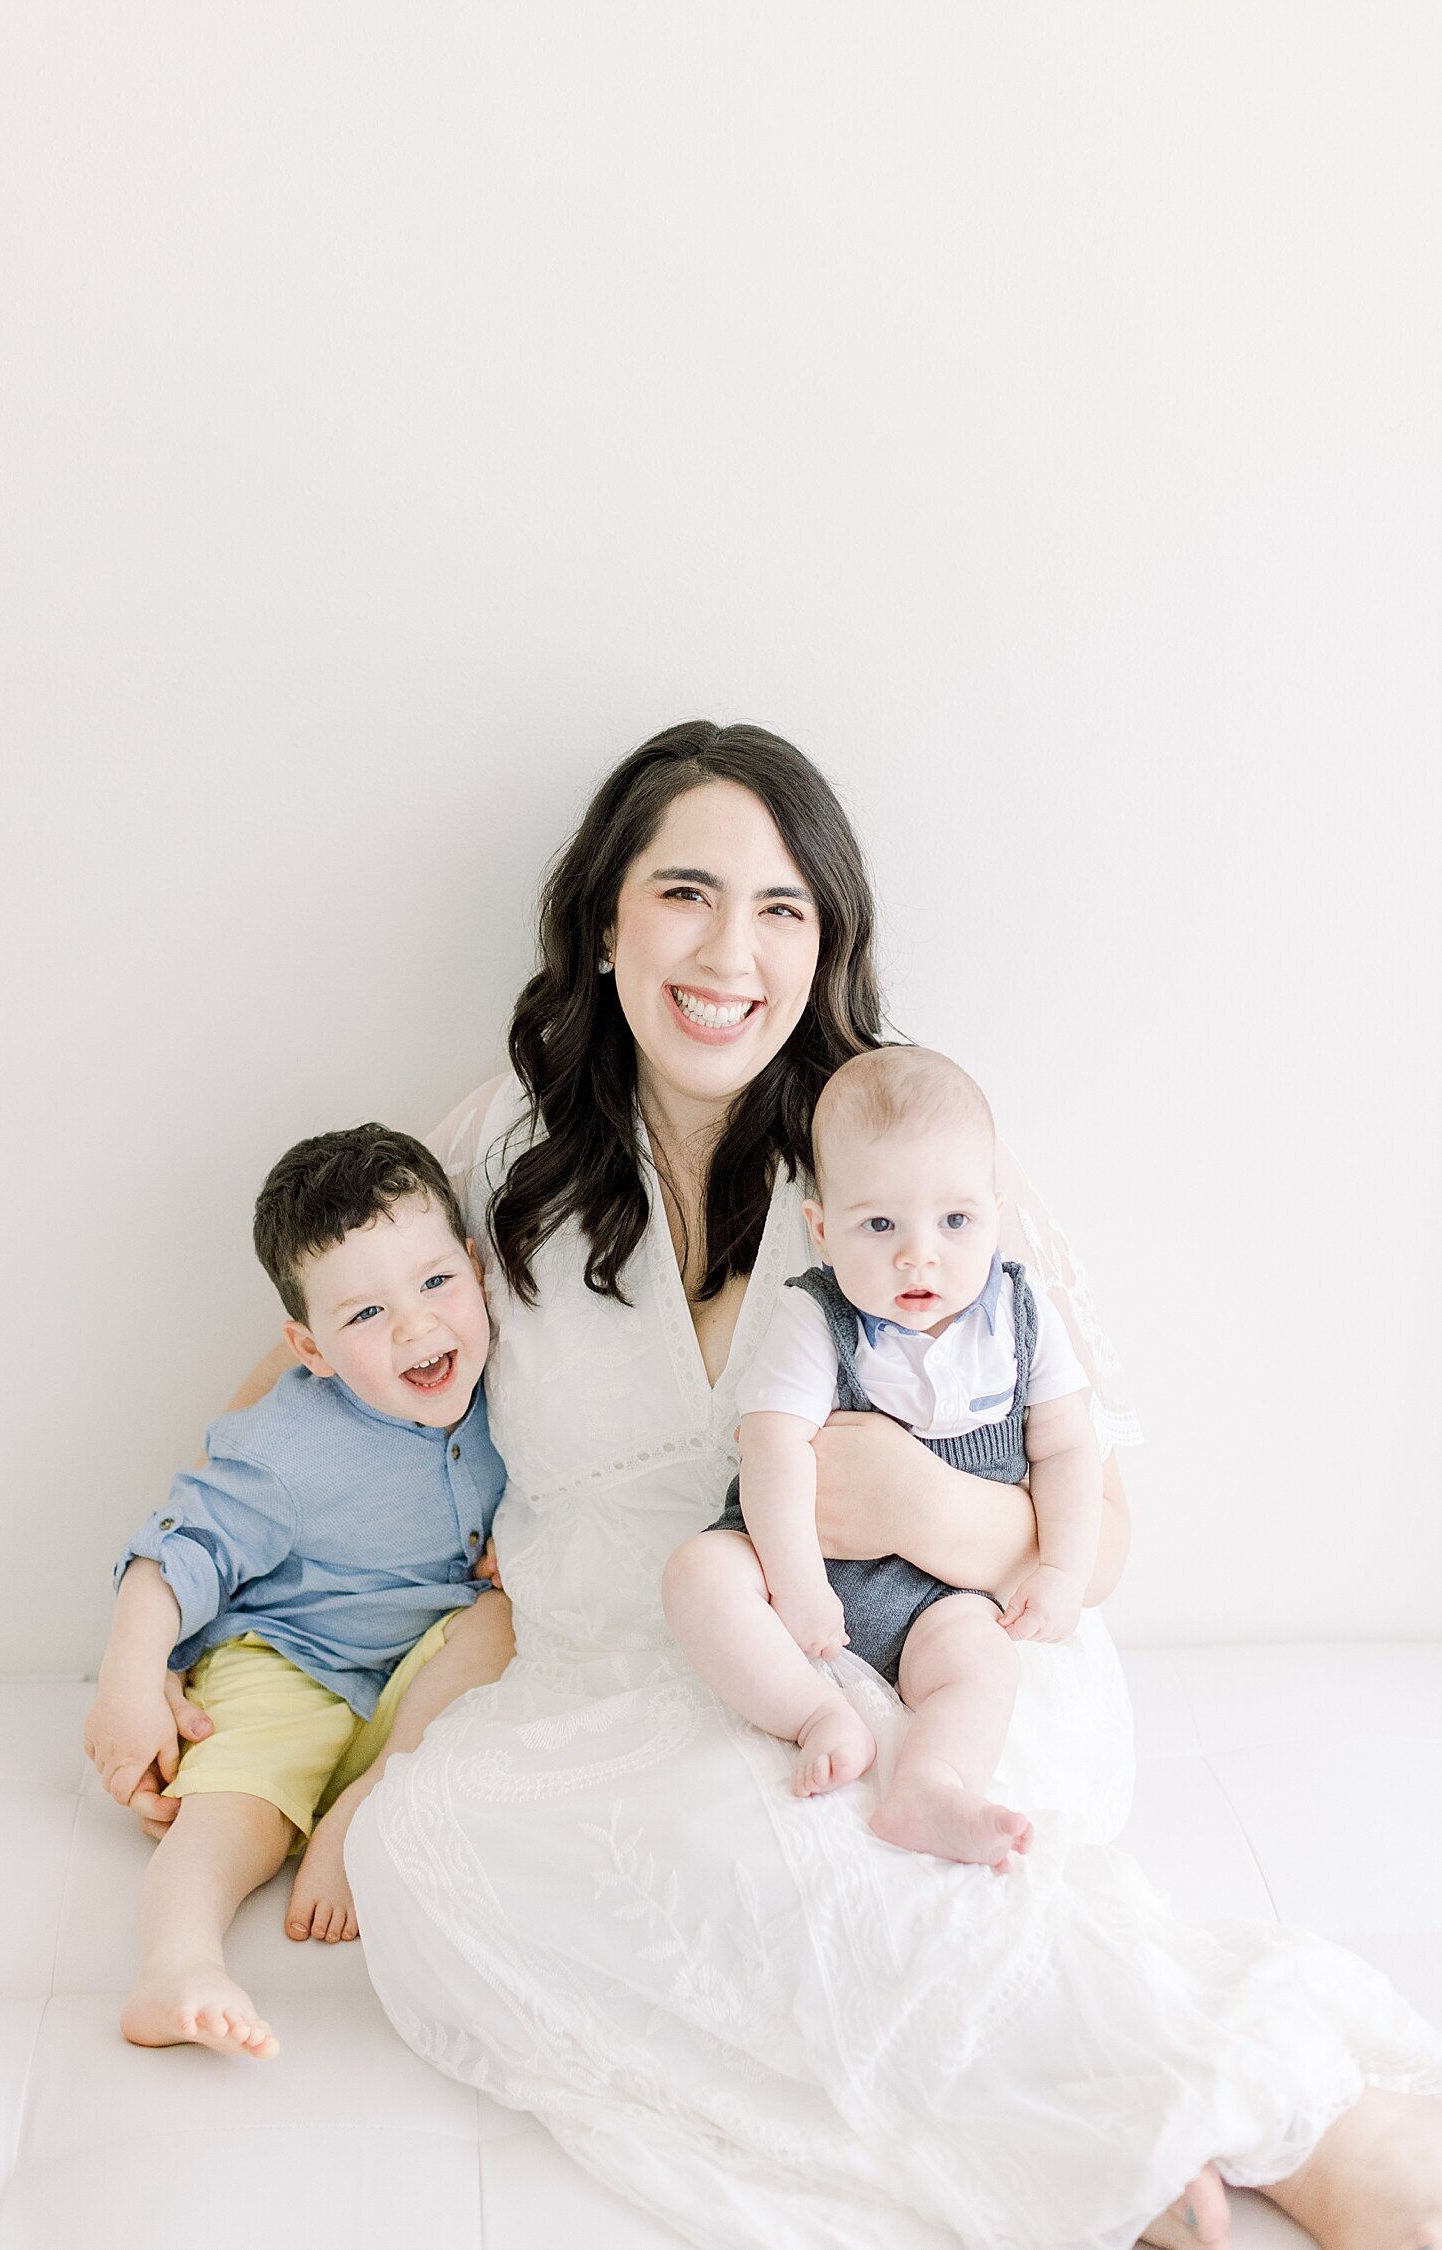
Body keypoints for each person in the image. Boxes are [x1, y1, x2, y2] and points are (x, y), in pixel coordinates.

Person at [195, 722, 1439, 2247]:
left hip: (928, 1635)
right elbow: (320, 1346)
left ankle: (1304, 2124)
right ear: (603, 924)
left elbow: (1096, 1528)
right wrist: (180, 1606)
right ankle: (1093, 2145)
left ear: (826, 942)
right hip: (620, 1662)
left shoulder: (910, 1149)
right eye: (686, 893)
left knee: (848, 1830)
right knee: (447, 1857)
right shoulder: (495, 1149)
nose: (730, 951)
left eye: (783, 907)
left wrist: (925, 1512)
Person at [84, 1124, 513, 2057]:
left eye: (436, 1282)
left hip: (416, 1667)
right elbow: (175, 1550)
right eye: (362, 1315)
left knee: (504, 1622)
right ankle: (177, 1964)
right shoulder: (287, 1444)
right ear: (308, 1346)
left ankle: (369, 1802)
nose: (415, 1326)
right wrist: (128, 1680)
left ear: (476, 1270)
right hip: (291, 1658)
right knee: (232, 1810)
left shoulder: (510, 1390)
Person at [662, 1044, 1101, 1873]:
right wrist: (794, 1585)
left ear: (995, 1215)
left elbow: (1069, 1447)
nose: (919, 1255)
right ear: (823, 1229)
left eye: (955, 1221)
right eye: (880, 1225)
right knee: (696, 1574)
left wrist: (1064, 1572)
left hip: (944, 1593)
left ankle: (931, 1786)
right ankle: (812, 1716)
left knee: (981, 1659)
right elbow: (773, 1447)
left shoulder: (1022, 1315)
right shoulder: (815, 1316)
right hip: (807, 1563)